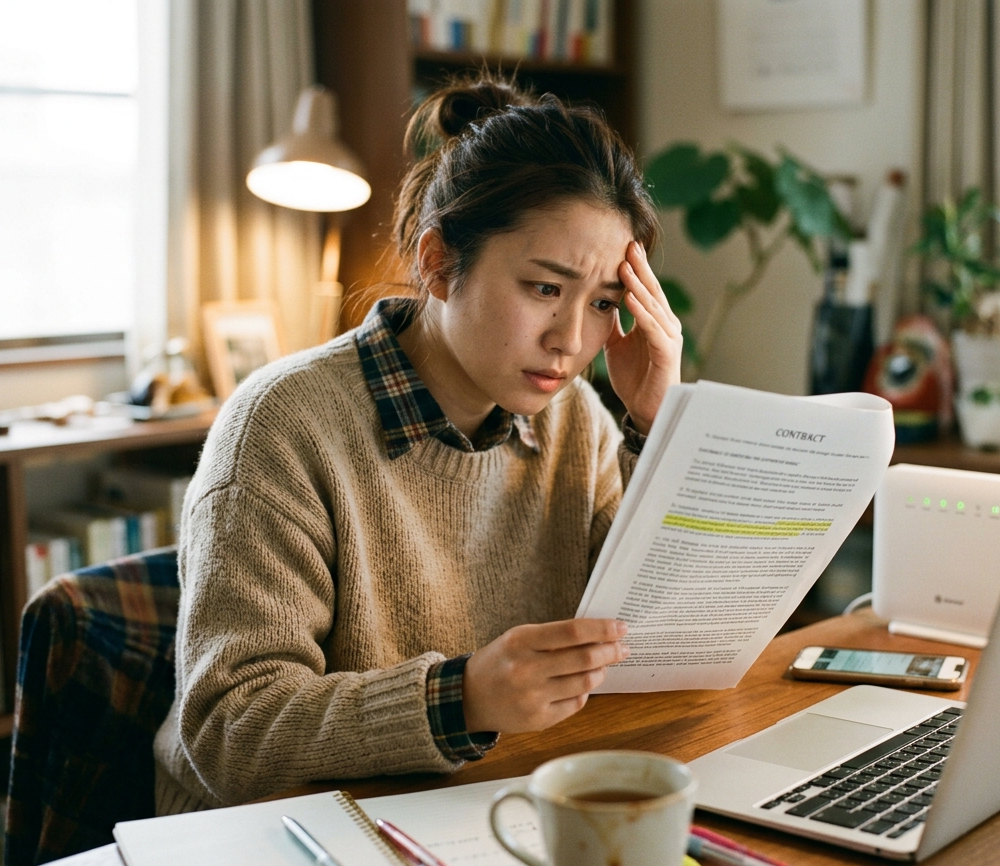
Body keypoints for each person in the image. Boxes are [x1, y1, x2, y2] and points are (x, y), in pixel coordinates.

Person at [153, 75, 683, 813]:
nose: (571, 341)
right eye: (542, 288)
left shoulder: (582, 422)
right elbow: (229, 736)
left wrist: (658, 427)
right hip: (272, 836)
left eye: (602, 304)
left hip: (477, 807)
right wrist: (460, 700)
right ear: (437, 263)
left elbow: (657, 649)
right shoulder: (279, 426)